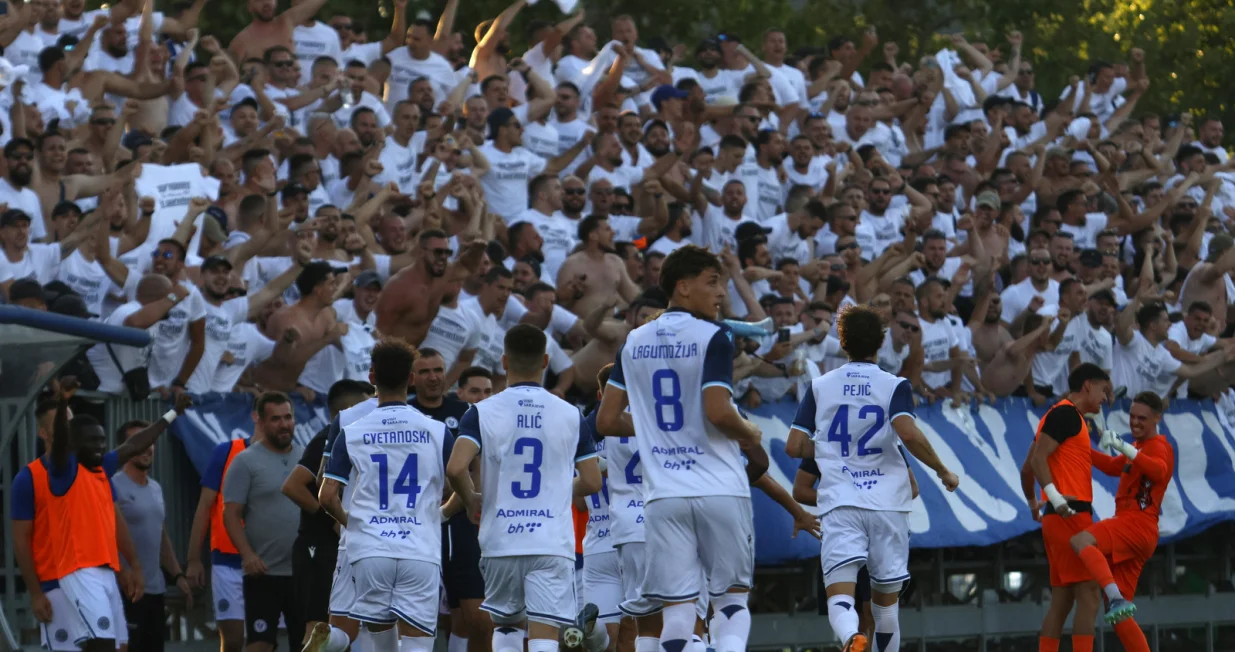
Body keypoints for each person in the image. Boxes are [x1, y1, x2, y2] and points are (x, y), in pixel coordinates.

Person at [595, 245, 759, 652]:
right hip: (719, 487)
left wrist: (652, 427)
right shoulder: (714, 336)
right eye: (712, 282)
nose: (721, 293)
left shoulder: (633, 341)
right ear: (683, 287)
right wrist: (749, 430)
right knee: (730, 601)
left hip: (663, 496)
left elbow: (606, 420)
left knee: (678, 612)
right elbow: (718, 411)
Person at [785, 305, 958, 652]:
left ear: (842, 342)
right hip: (887, 505)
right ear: (881, 342)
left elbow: (794, 446)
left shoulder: (820, 386)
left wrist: (831, 446)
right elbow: (907, 433)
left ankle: (851, 636)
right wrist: (942, 469)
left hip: (841, 503)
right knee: (885, 608)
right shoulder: (895, 385)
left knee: (840, 597)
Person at [447, 324, 603, 652]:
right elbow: (592, 481)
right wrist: (557, 487)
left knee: (506, 627)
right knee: (545, 634)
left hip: (501, 539)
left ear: (504, 361)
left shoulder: (481, 412)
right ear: (546, 361)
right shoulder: (570, 414)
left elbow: (456, 468)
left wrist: (471, 499)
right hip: (550, 542)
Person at [12, 381, 191, 652]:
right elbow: (21, 540)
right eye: (64, 424)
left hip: (104, 573)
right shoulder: (48, 475)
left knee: (117, 646)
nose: (99, 445)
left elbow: (132, 449)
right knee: (96, 645)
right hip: (60, 581)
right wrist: (36, 593)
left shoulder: (100, 470)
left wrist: (130, 567)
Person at [310, 338, 454, 652]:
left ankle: (332, 640)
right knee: (417, 643)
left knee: (379, 638)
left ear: (372, 376)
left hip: (371, 549)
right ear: (412, 378)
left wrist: (352, 523)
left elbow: (326, 495)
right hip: (419, 548)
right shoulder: (437, 430)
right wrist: (444, 512)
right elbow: (456, 480)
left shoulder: (351, 430)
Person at [1070, 391, 1174, 652]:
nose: (1135, 422)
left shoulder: (1158, 446)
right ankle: (1116, 599)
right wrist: (1081, 449)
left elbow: (1159, 471)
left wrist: (1124, 446)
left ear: (1157, 418)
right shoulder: (1139, 446)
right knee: (1118, 617)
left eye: (1142, 418)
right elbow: (1112, 466)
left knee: (1081, 541)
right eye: (1132, 416)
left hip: (1136, 523)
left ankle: (1115, 597)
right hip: (1141, 532)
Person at [1020, 363, 1113, 652]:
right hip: (1070, 515)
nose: (1105, 398)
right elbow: (1037, 462)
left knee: (1062, 601)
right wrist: (1056, 498)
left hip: (1056, 517)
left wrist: (1035, 504)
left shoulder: (1056, 416)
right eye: (1103, 390)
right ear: (1087, 386)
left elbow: (1027, 469)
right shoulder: (1067, 415)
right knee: (1089, 594)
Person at [280, 380, 373, 649]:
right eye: (367, 404)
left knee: (343, 626)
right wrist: (333, 519)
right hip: (318, 547)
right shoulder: (327, 439)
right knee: (318, 623)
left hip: (342, 546)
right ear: (352, 407)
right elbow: (292, 486)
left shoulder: (357, 437)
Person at [407, 348, 488, 652]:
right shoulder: (405, 414)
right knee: (425, 611)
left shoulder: (465, 412)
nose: (433, 377)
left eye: (438, 370)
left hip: (457, 521)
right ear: (412, 378)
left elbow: (477, 467)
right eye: (425, 372)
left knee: (471, 613)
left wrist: (459, 496)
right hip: (413, 523)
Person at [222, 392, 306, 652]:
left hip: (303, 572)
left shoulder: (306, 458)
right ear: (260, 421)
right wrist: (247, 555)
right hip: (264, 573)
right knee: (260, 645)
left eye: (288, 417)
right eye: (276, 419)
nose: (284, 424)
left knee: (309, 645)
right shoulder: (245, 461)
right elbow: (231, 514)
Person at [111, 419, 194, 652]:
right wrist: (122, 573)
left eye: (150, 441)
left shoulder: (155, 488)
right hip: (127, 591)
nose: (146, 447)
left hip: (155, 590)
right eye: (139, 441)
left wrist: (177, 575)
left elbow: (161, 534)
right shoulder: (114, 485)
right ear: (125, 448)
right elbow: (105, 536)